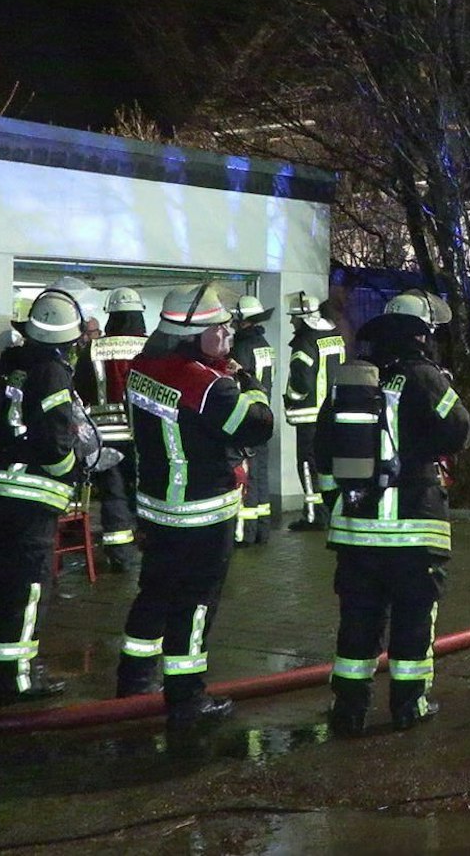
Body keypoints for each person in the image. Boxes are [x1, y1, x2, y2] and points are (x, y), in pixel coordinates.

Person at [116, 283, 273, 727]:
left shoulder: (145, 369)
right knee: (196, 602)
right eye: (218, 328)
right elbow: (258, 426)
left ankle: (134, 681)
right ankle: (186, 697)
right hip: (203, 512)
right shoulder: (209, 385)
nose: (227, 333)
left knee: (154, 593)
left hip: (157, 507)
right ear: (190, 335)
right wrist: (249, 383)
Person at [324, 289, 470, 737]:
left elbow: (323, 447)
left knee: (358, 621)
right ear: (422, 336)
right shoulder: (426, 378)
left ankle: (349, 708)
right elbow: (460, 430)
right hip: (412, 526)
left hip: (357, 529)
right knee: (412, 617)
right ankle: (409, 706)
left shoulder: (351, 383)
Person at [0, 285, 89, 702]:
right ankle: (18, 678)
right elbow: (57, 442)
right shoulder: (53, 372)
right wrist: (72, 474)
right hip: (32, 495)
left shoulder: (11, 363)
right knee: (27, 587)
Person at [75, 286, 148, 571]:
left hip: (105, 437)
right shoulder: (151, 347)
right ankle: (151, 542)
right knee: (147, 489)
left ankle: (120, 555)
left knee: (113, 494)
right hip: (145, 434)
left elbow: (79, 390)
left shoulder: (94, 349)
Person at [284, 293, 345, 530]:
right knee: (329, 464)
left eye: (294, 318)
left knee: (308, 464)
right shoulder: (334, 337)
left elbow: (301, 383)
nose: (291, 323)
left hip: (309, 415)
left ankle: (313, 515)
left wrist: (291, 398)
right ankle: (331, 510)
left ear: (303, 318)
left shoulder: (304, 342)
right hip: (333, 412)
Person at [230, 296, 278, 546]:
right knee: (261, 474)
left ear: (241, 320)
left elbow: (237, 383)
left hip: (247, 417)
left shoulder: (241, 348)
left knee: (247, 475)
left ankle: (244, 533)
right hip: (264, 416)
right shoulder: (265, 344)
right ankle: (262, 529)